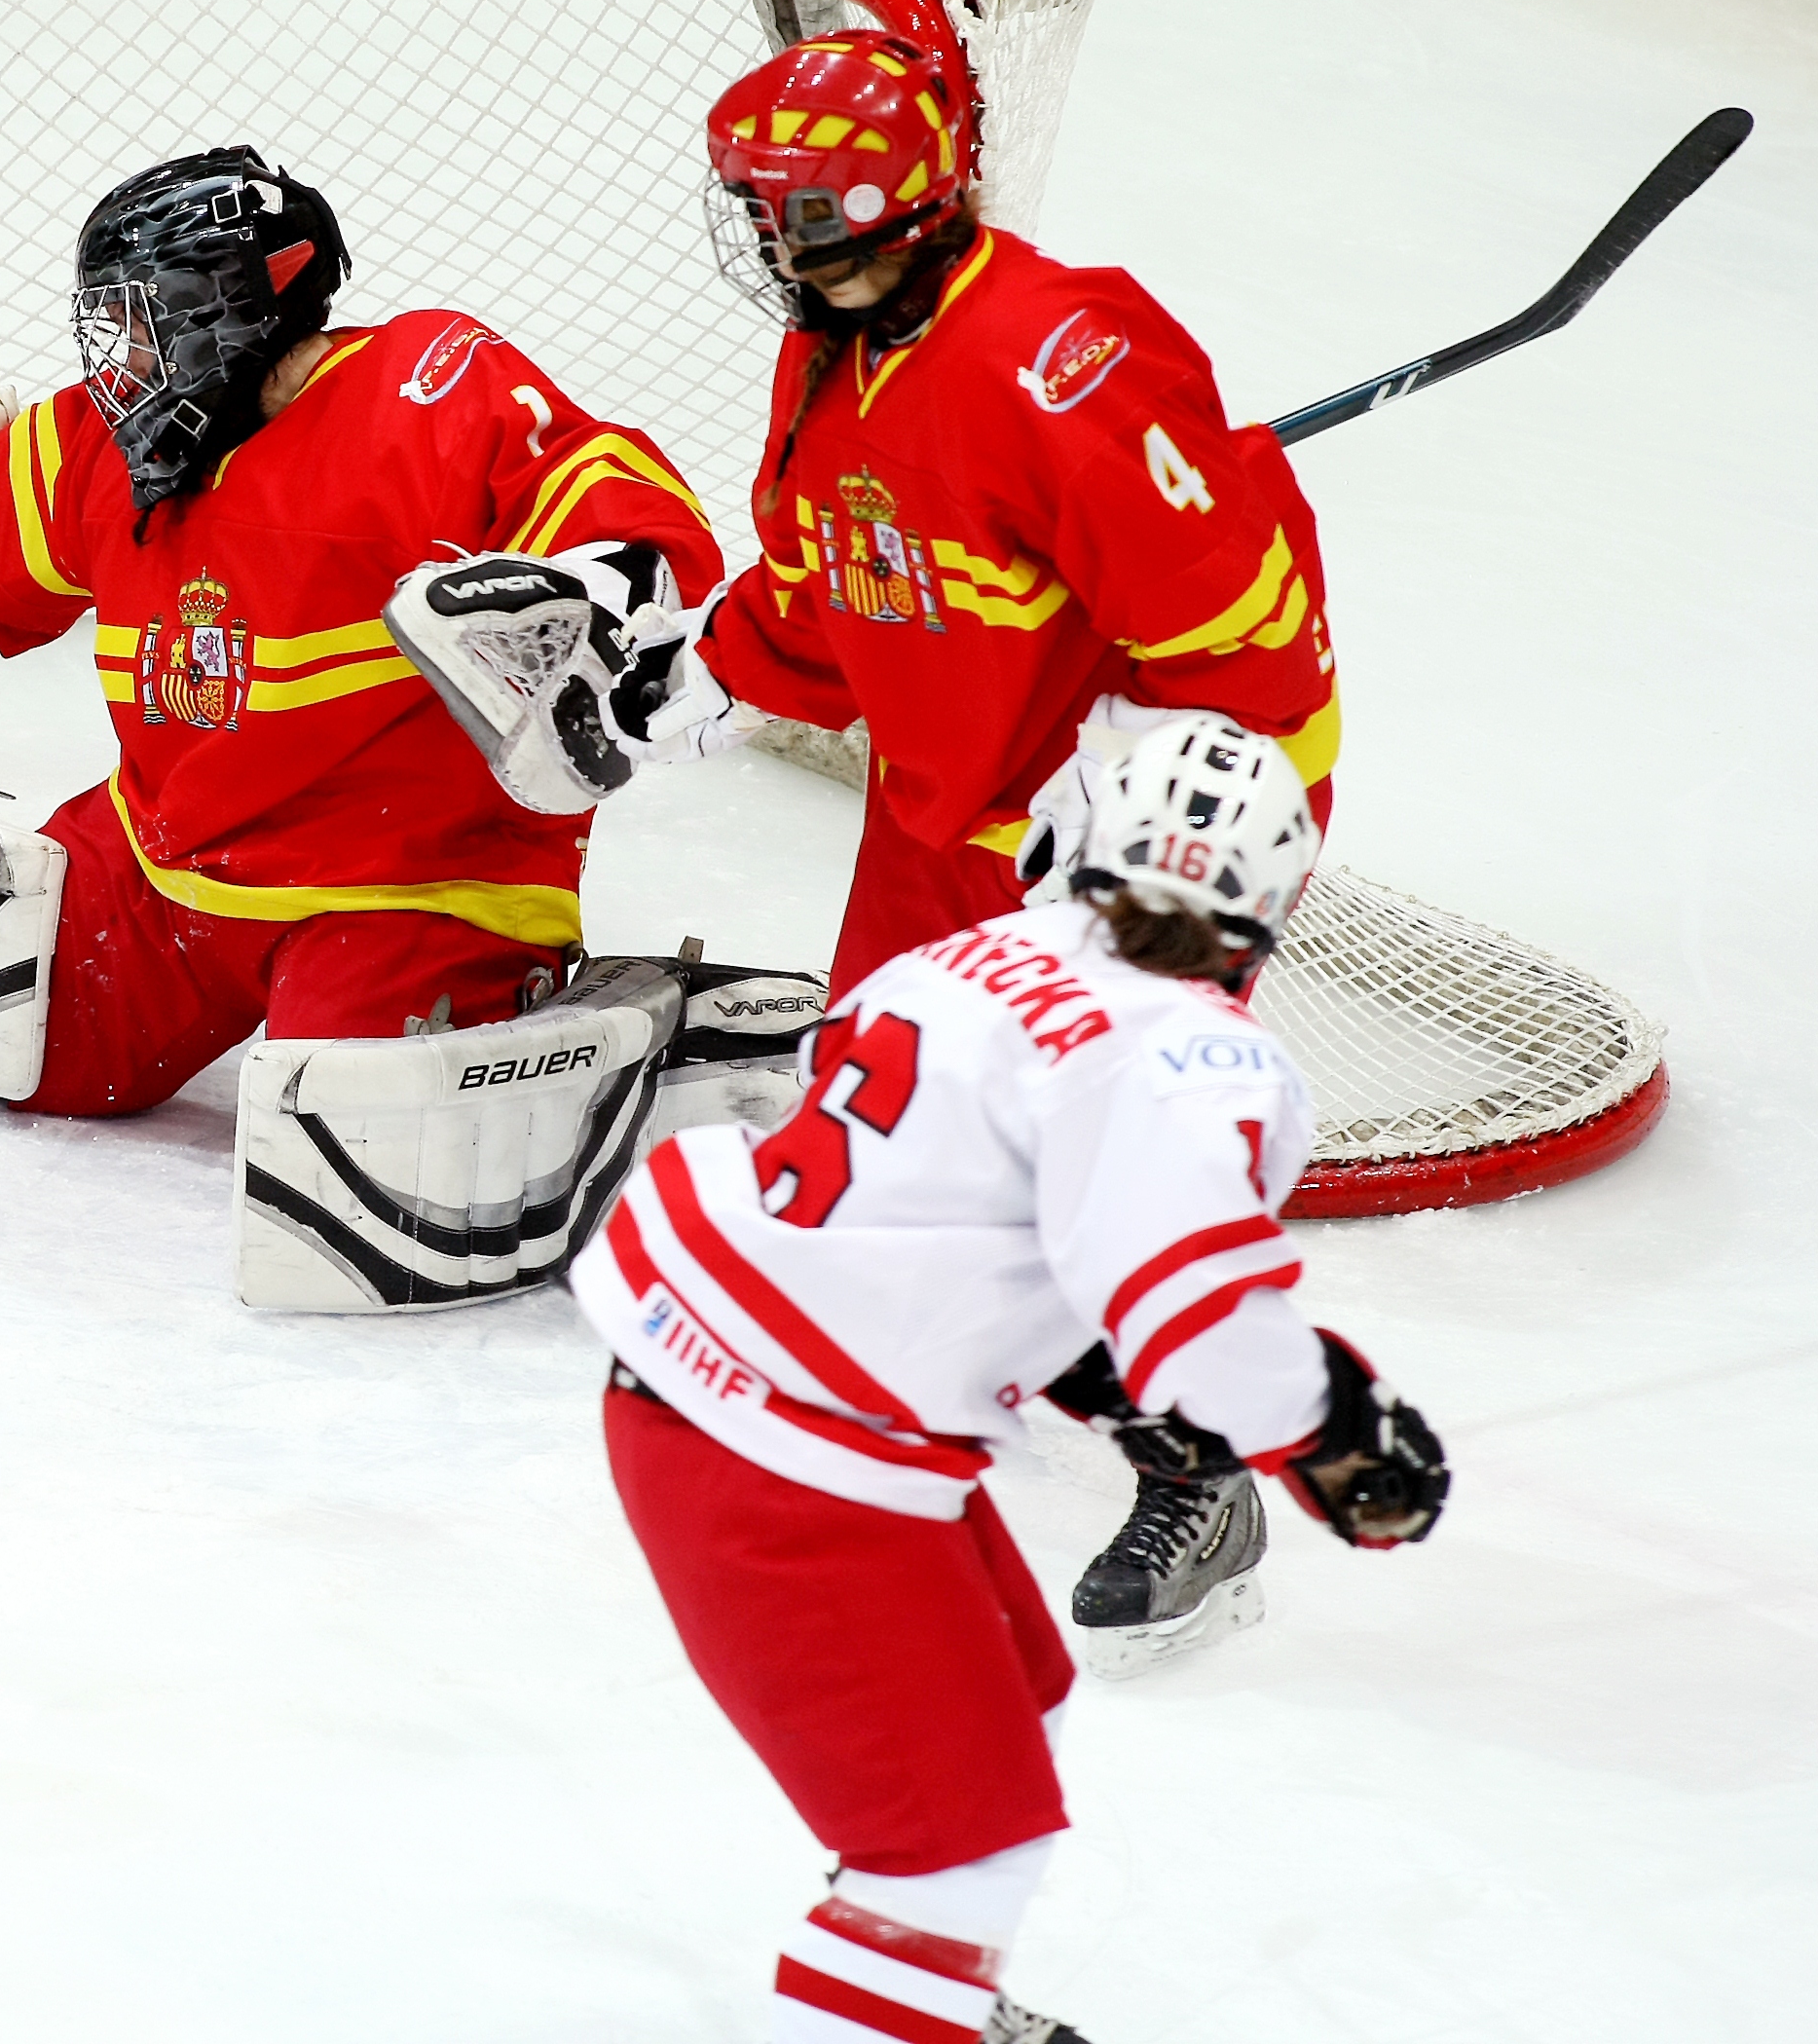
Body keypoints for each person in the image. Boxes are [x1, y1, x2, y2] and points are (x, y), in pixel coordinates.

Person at [571, 715, 1450, 2044]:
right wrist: (1327, 1433)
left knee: (1008, 1673)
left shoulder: (973, 955)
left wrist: (1090, 1369)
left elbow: (934, 1196)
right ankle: (891, 1991)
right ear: (1272, 901)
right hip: (786, 1452)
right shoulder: (1195, 1050)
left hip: (705, 1370)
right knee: (962, 1844)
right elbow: (1197, 1302)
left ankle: (914, 1981)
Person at [656, 29, 1344, 1654]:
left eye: (798, 212)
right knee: (875, 1161)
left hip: (1111, 854)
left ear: (894, 212)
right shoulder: (836, 346)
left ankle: (1206, 1474)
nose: (770, 242)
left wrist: (1147, 809)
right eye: (758, 209)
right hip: (936, 815)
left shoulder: (1063, 364)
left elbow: (1258, 642)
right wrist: (717, 663)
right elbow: (847, 584)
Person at [0, 145, 723, 1123]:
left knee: (360, 1133)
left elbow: (617, 510)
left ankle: (650, 1038)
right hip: (159, 870)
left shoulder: (417, 392)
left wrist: (601, 600)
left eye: (138, 325)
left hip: (407, 889)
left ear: (222, 306)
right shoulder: (109, 448)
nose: (118, 363)